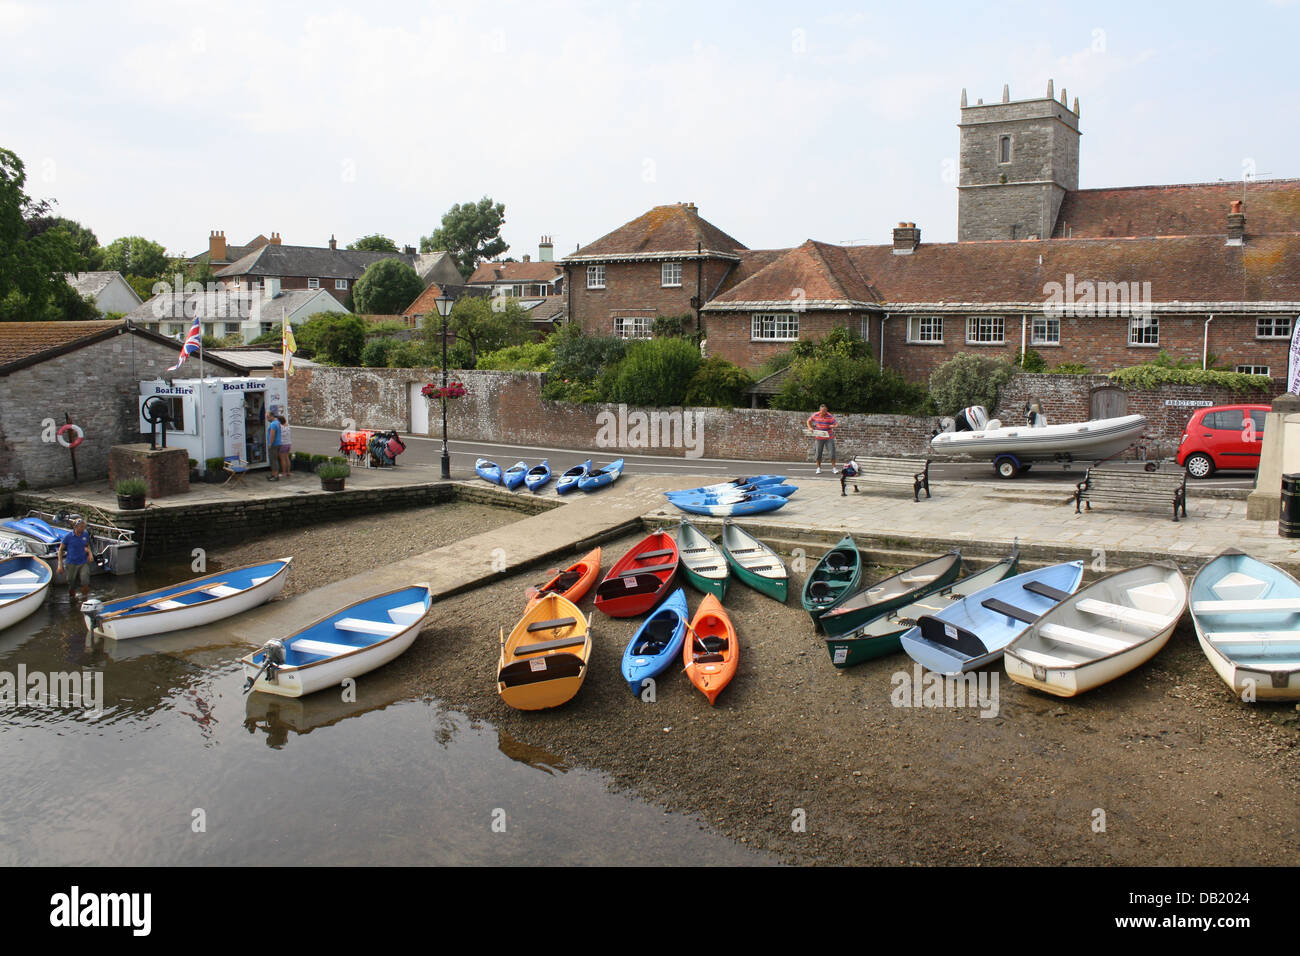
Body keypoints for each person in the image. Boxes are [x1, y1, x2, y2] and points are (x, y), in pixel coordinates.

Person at [56, 516, 93, 602]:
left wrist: (90, 554)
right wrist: (60, 565)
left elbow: (87, 545)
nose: (83, 529)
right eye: (81, 527)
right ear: (75, 527)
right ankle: (72, 599)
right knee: (72, 584)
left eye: (84, 527)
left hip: (83, 562)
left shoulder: (85, 534)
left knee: (85, 581)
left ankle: (85, 600)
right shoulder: (68, 537)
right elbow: (60, 550)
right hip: (71, 562)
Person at [807, 404, 838, 474]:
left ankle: (834, 468)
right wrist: (810, 427)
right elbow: (808, 421)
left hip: (829, 437)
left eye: (825, 411)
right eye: (822, 411)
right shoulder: (815, 415)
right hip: (819, 437)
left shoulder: (830, 416)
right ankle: (818, 468)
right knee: (818, 453)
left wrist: (833, 426)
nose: (823, 413)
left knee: (832, 452)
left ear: (826, 410)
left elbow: (836, 424)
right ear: (819, 410)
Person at [265, 409, 282, 480]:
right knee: (274, 459)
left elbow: (272, 435)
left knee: (273, 460)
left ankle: (276, 476)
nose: (267, 419)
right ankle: (273, 474)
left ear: (272, 416)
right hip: (278, 443)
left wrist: (270, 444)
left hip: (274, 444)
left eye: (268, 417)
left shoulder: (273, 424)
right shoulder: (277, 422)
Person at [277, 414, 292, 479]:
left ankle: (283, 473)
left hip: (282, 444)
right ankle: (288, 472)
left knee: (282, 459)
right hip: (288, 443)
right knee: (287, 458)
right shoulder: (288, 426)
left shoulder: (280, 427)